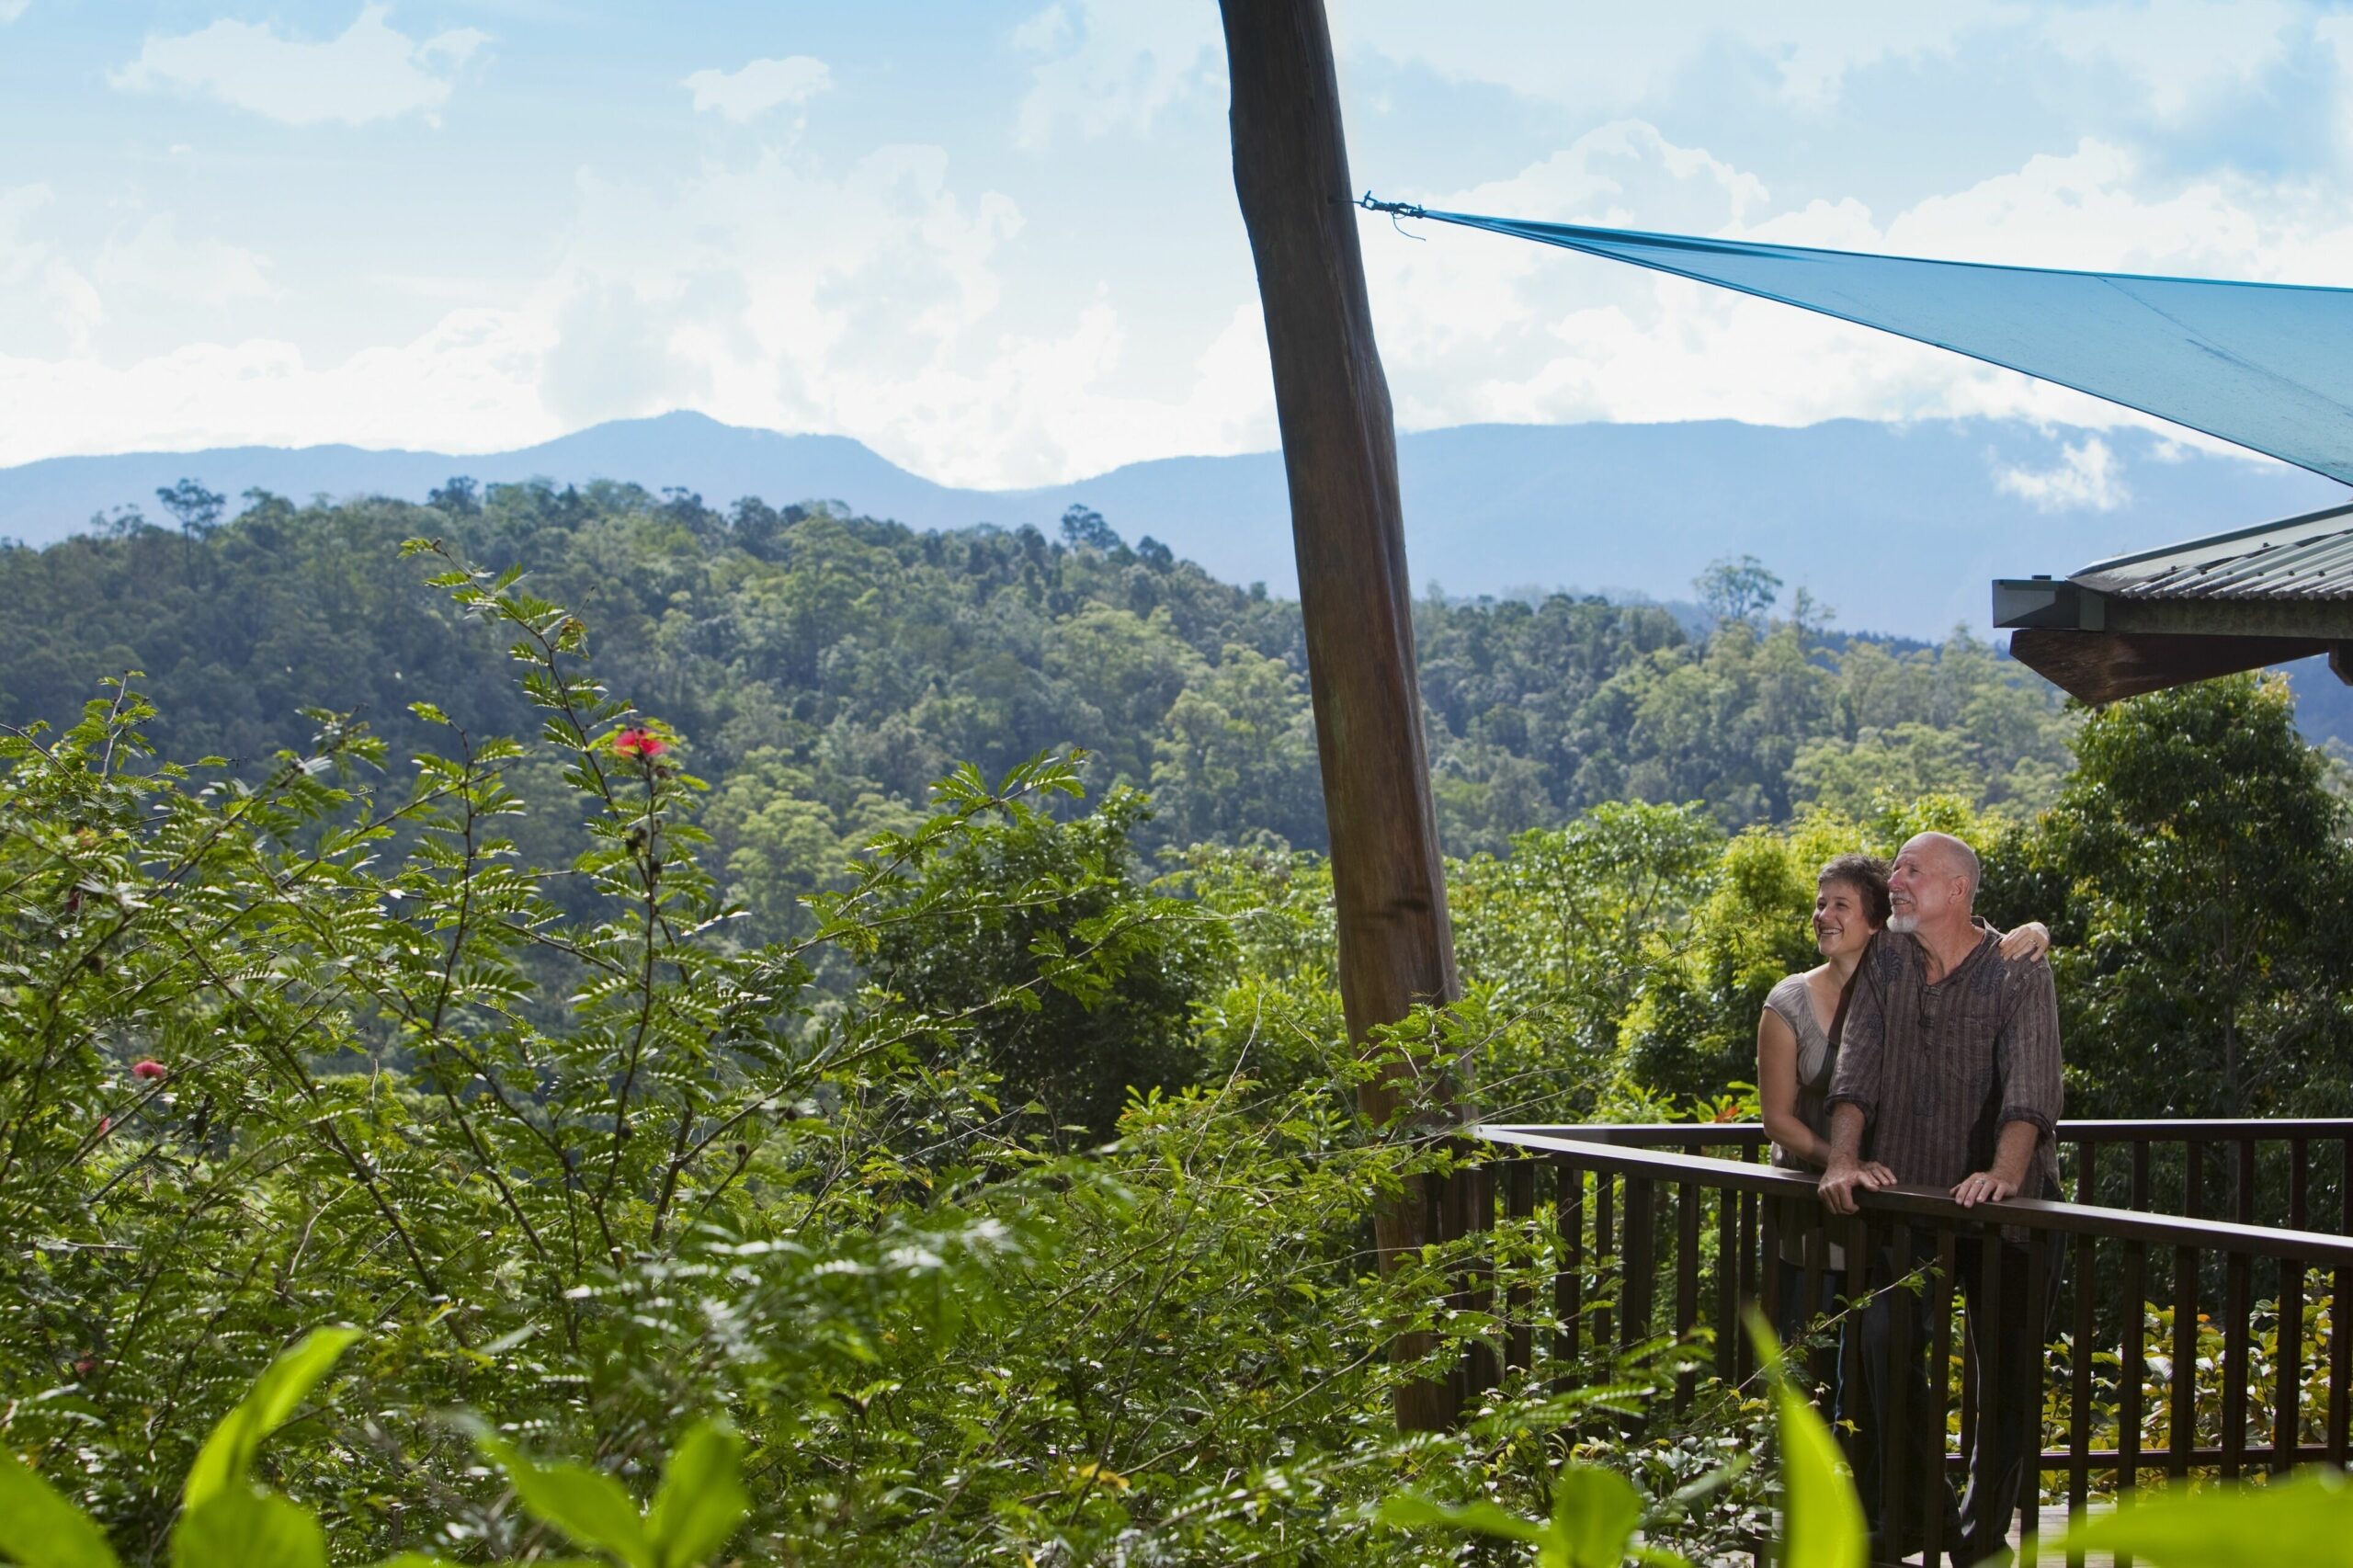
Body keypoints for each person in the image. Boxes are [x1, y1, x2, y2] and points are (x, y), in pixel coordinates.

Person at [1816, 832, 2065, 1568]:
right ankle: (1929, 1518)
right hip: (1912, 1200)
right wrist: (1841, 1160)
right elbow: (1854, 1066)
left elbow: (2031, 1087)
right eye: (1895, 868)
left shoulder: (2019, 968)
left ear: (1957, 890)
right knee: (1883, 1341)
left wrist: (2004, 1174)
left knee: (2010, 1378)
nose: (1894, 880)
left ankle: (1980, 1536)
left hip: (2006, 1214)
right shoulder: (1889, 960)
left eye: (1911, 870)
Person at [1756, 853, 2047, 1344]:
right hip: (1833, 1198)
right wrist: (1846, 1159)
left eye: (1840, 906)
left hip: (1890, 1193)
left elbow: (2028, 1080)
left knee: (1870, 1354)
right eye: (1820, 904)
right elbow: (1809, 1100)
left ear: (1877, 926)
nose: (1823, 915)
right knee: (1825, 1349)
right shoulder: (1801, 997)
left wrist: (2037, 930)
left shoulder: (1904, 966)